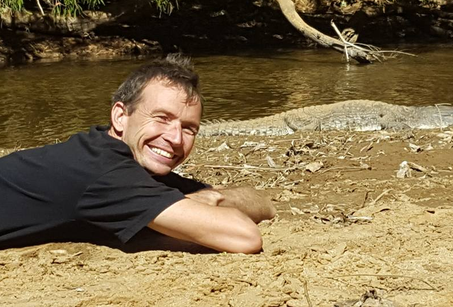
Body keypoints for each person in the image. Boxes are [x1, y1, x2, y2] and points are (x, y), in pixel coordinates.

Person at [0, 54, 276, 254]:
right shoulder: (105, 173)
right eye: (161, 118)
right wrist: (199, 203)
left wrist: (205, 197)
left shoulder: (117, 157)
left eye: (189, 128)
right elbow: (244, 237)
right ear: (120, 116)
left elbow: (263, 204)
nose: (175, 138)